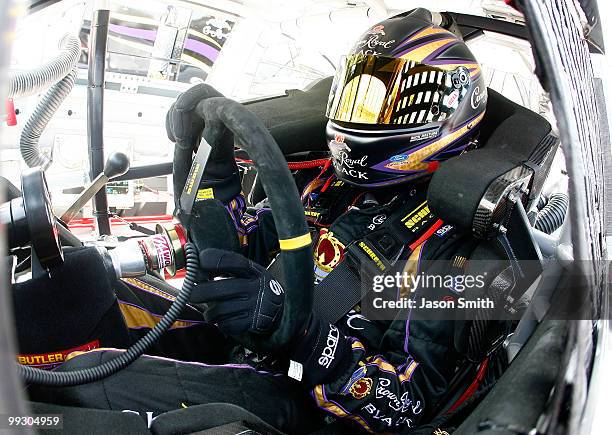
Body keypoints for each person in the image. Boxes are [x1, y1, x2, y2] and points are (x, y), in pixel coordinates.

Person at [30, 8, 510, 434]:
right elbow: (247, 246)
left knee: (93, 385)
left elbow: (405, 408)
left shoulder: (466, 254)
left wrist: (304, 335)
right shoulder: (331, 183)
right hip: (250, 343)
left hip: (307, 402)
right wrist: (215, 177)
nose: (364, 115)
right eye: (359, 95)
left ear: (446, 113)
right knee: (81, 283)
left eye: (386, 102)